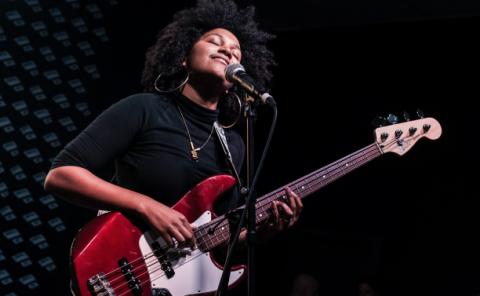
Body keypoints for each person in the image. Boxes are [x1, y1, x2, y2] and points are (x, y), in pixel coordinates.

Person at [44, 0, 302, 288]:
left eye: (235, 52)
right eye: (214, 42)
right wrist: (146, 206)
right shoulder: (144, 109)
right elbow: (61, 175)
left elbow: (213, 239)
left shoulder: (234, 145)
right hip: (117, 268)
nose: (227, 50)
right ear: (183, 57)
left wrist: (258, 233)